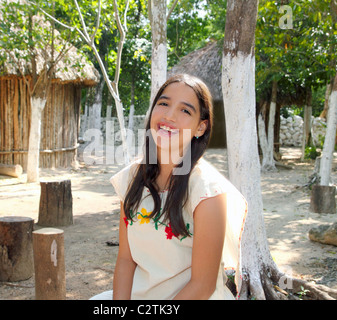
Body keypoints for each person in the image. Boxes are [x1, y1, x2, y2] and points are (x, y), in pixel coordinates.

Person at [90, 74, 247, 300]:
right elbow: (126, 260)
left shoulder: (208, 191)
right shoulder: (131, 179)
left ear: (200, 127)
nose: (169, 115)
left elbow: (203, 285)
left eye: (185, 110)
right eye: (163, 103)